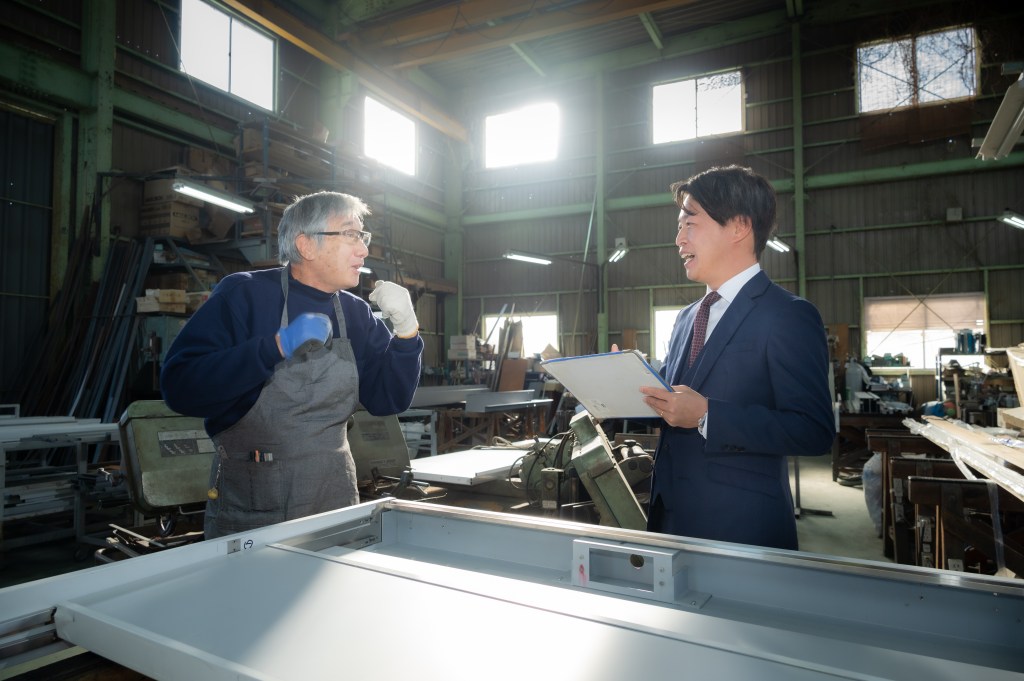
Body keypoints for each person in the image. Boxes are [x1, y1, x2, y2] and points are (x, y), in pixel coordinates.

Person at [161, 191, 423, 538]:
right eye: (351, 234)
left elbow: (388, 399)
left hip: (335, 500)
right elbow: (180, 388)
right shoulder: (244, 295)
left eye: (363, 237)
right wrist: (272, 348)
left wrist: (406, 333)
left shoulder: (355, 313)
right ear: (306, 245)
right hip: (254, 512)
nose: (363, 250)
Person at [637, 165, 835, 550]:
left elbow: (813, 429)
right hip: (670, 517)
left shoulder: (787, 315)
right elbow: (676, 402)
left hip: (741, 527)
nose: (678, 239)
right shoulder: (686, 318)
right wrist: (623, 386)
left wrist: (708, 416)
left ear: (739, 227)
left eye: (689, 224)